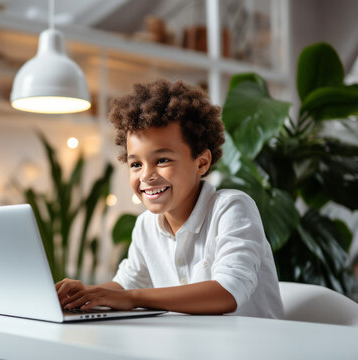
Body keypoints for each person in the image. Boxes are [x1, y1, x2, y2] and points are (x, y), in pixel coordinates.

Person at [55, 79, 283, 318]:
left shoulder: (231, 208)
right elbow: (126, 284)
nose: (146, 176)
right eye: (135, 164)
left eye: (162, 160)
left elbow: (228, 292)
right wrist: (84, 293)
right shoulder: (145, 225)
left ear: (201, 162)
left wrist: (131, 299)